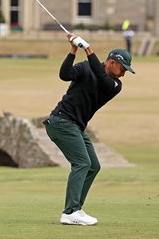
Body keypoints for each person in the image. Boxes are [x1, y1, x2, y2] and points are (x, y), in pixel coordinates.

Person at [44, 33, 135, 226]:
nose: (124, 73)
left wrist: (88, 49)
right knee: (82, 163)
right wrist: (73, 50)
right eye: (122, 68)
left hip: (76, 126)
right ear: (111, 62)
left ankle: (76, 209)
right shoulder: (85, 67)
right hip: (61, 122)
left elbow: (101, 77)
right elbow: (64, 75)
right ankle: (70, 212)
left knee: (93, 166)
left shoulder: (115, 85)